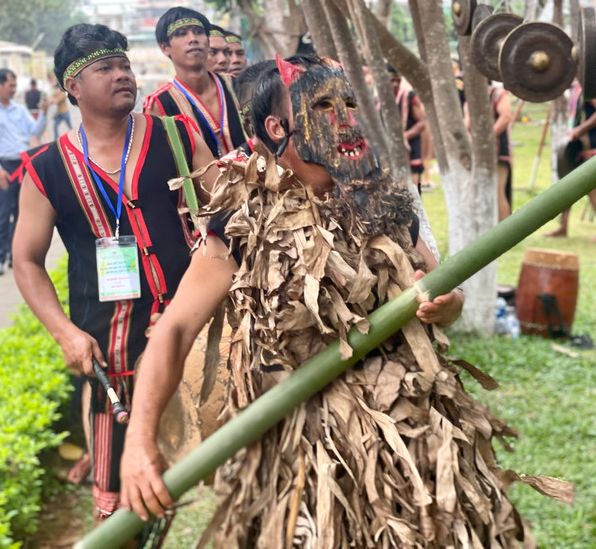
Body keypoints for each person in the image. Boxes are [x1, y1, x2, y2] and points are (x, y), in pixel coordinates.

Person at [120, 54, 570, 545]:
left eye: (351, 104)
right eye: (323, 107)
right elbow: (175, 329)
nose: (346, 120)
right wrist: (138, 442)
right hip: (303, 456)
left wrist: (448, 305)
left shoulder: (385, 201)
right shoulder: (243, 222)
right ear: (276, 128)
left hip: (413, 440)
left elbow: (446, 292)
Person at [12, 23, 218, 533]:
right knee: (120, 512)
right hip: (114, 358)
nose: (122, 74)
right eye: (105, 68)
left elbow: (229, 212)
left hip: (199, 338)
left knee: (230, 471)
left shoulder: (175, 137)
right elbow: (26, 260)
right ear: (73, 87)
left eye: (124, 65)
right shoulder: (46, 169)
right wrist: (65, 333)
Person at [143, 7, 248, 158]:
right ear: (165, 47)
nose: (193, 39)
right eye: (181, 33)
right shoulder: (159, 105)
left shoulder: (238, 85)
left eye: (198, 32)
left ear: (207, 41)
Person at [0, 68, 46, 275]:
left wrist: (43, 114)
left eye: (15, 85)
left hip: (23, 164)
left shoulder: (19, 109)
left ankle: (15, 256)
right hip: (4, 166)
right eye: (10, 85)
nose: (14, 89)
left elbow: (34, 131)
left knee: (22, 214)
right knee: (3, 213)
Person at [545, 81, 596, 240]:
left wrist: (579, 130)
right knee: (569, 184)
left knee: (592, 187)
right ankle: (563, 227)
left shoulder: (591, 86)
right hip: (580, 146)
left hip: (595, 144)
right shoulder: (576, 88)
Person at [389, 65, 427, 193]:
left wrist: (405, 136)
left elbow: (422, 122)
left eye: (398, 80)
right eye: (392, 80)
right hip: (389, 147)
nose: (395, 84)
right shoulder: (378, 100)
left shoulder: (409, 96)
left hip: (411, 145)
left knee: (415, 186)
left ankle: (418, 203)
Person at [490, 81, 514, 221]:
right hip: (479, 154)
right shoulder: (472, 95)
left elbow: (505, 117)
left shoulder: (498, 94)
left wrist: (488, 138)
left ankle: (505, 230)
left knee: (498, 192)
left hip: (499, 151)